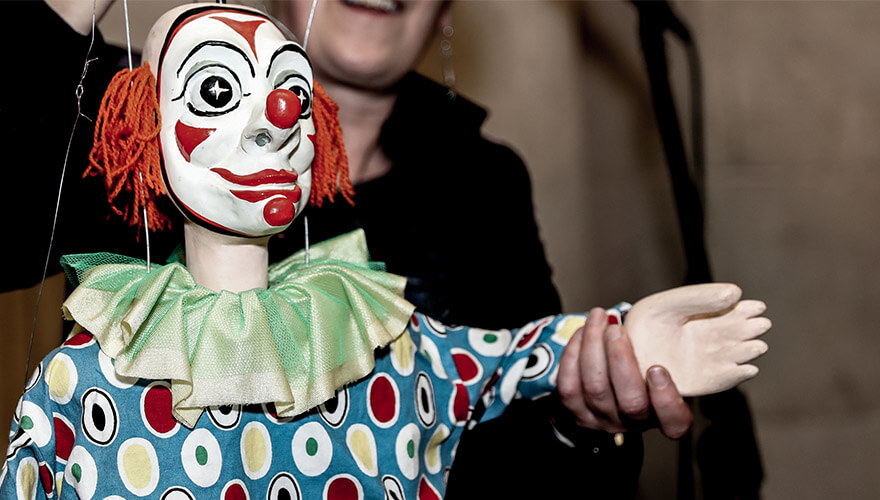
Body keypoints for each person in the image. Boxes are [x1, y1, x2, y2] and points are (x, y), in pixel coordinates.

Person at [0, 6, 769, 499]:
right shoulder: (124, 112)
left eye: (287, 97)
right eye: (213, 94)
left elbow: (507, 391)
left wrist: (586, 395)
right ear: (140, 133)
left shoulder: (481, 183)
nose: (265, 123)